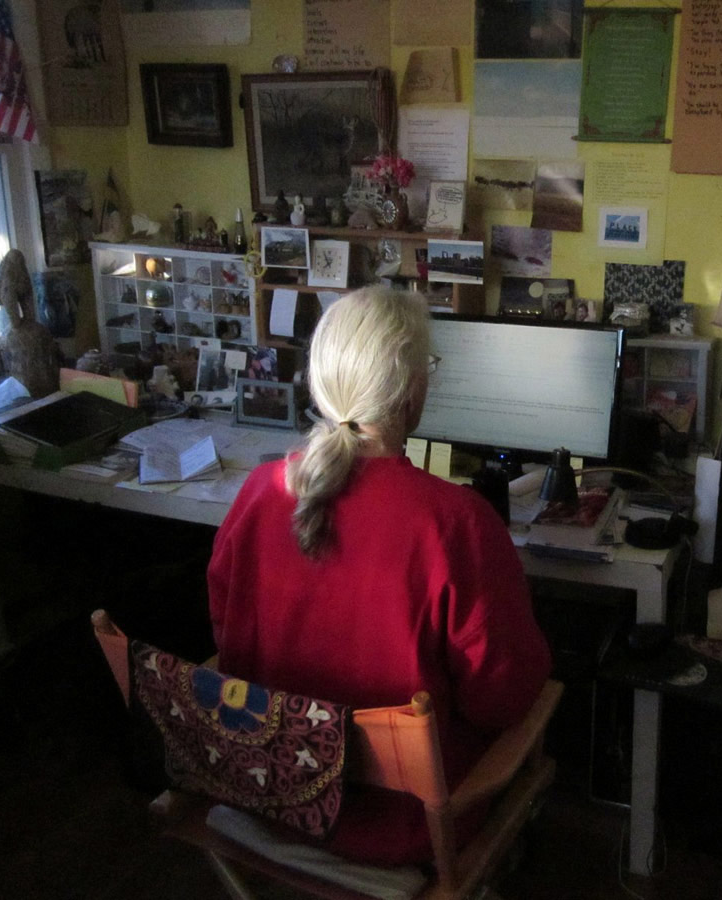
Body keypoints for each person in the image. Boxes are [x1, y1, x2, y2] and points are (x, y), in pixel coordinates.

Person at [207, 286, 552, 866]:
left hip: (267, 798)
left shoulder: (258, 494)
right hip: (401, 832)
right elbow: (504, 696)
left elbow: (229, 640)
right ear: (412, 391)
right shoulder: (456, 522)